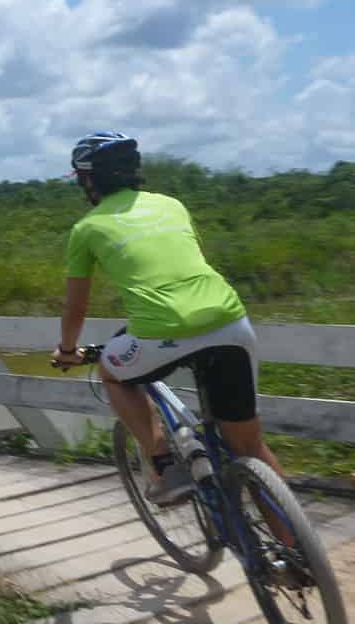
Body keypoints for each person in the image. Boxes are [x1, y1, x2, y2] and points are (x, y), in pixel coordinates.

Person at [51, 131, 285, 506]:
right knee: (250, 445)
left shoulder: (87, 228)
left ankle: (163, 462)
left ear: (88, 179)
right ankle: (297, 554)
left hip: (161, 333)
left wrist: (67, 350)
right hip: (229, 321)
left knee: (112, 372)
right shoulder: (172, 205)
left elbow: (75, 307)